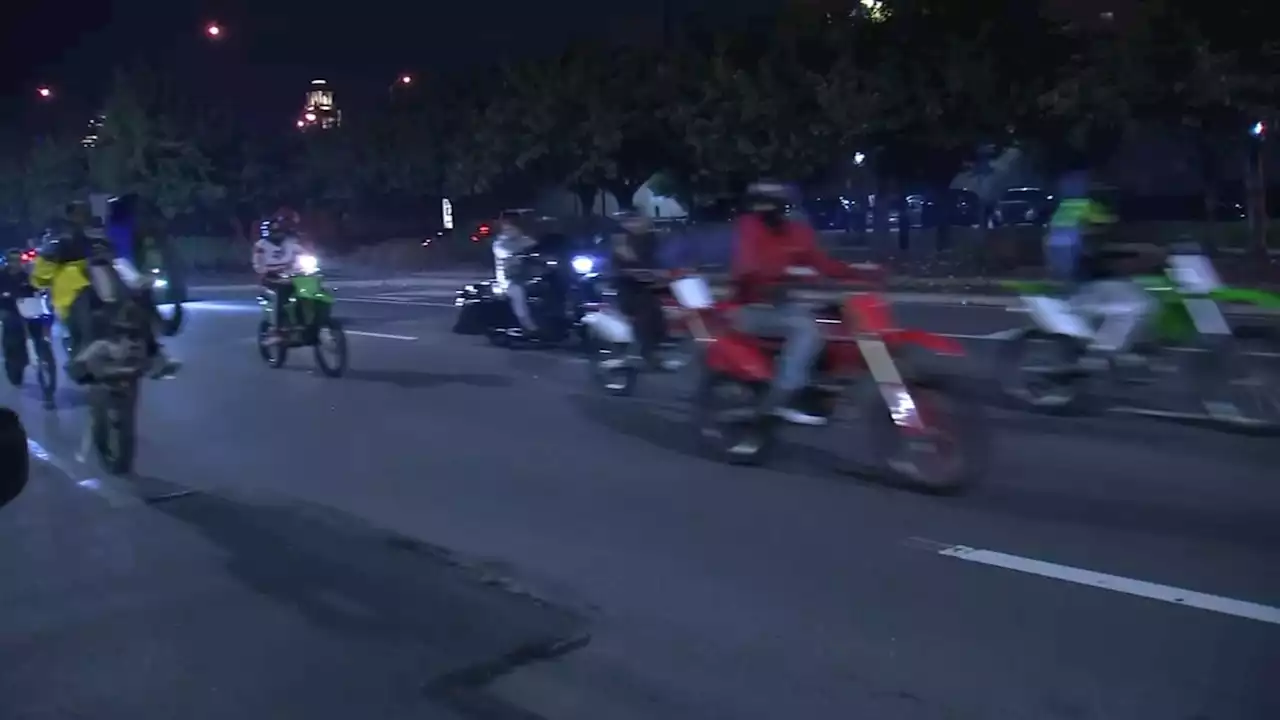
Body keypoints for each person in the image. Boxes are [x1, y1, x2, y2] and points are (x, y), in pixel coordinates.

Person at [732, 180, 877, 425]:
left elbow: (822, 264)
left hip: (784, 306)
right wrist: (782, 274)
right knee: (807, 330)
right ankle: (787, 394)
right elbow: (746, 268)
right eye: (759, 202)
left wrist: (861, 273)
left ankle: (824, 386)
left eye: (771, 202)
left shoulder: (797, 232)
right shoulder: (749, 228)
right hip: (752, 308)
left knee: (839, 322)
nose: (764, 208)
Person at [31, 202, 177, 382]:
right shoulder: (74, 241)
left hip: (94, 291)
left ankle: (155, 349)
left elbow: (41, 276)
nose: (82, 218)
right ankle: (154, 348)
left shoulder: (73, 242)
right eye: (79, 214)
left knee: (137, 300)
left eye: (83, 214)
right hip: (87, 292)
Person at [606, 211, 677, 369]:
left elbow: (663, 258)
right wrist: (640, 271)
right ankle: (641, 352)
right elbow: (624, 259)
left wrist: (667, 272)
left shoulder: (652, 239)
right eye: (633, 221)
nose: (638, 224)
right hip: (627, 286)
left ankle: (655, 348)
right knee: (646, 311)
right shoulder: (621, 238)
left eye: (640, 220)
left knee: (665, 311)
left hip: (649, 285)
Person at [253, 216, 306, 345]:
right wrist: (267, 271)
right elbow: (258, 265)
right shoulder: (261, 246)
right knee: (282, 292)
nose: (278, 234)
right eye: (274, 231)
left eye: (280, 231)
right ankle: (278, 331)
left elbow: (303, 255)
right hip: (271, 278)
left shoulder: (291, 244)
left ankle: (306, 320)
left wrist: (306, 264)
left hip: (291, 277)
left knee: (310, 288)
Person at [491, 218, 538, 334]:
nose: (510, 230)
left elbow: (538, 247)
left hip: (530, 276)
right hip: (510, 278)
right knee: (518, 294)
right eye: (507, 228)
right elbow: (505, 252)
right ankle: (527, 324)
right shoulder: (500, 244)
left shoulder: (525, 240)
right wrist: (519, 254)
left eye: (512, 227)